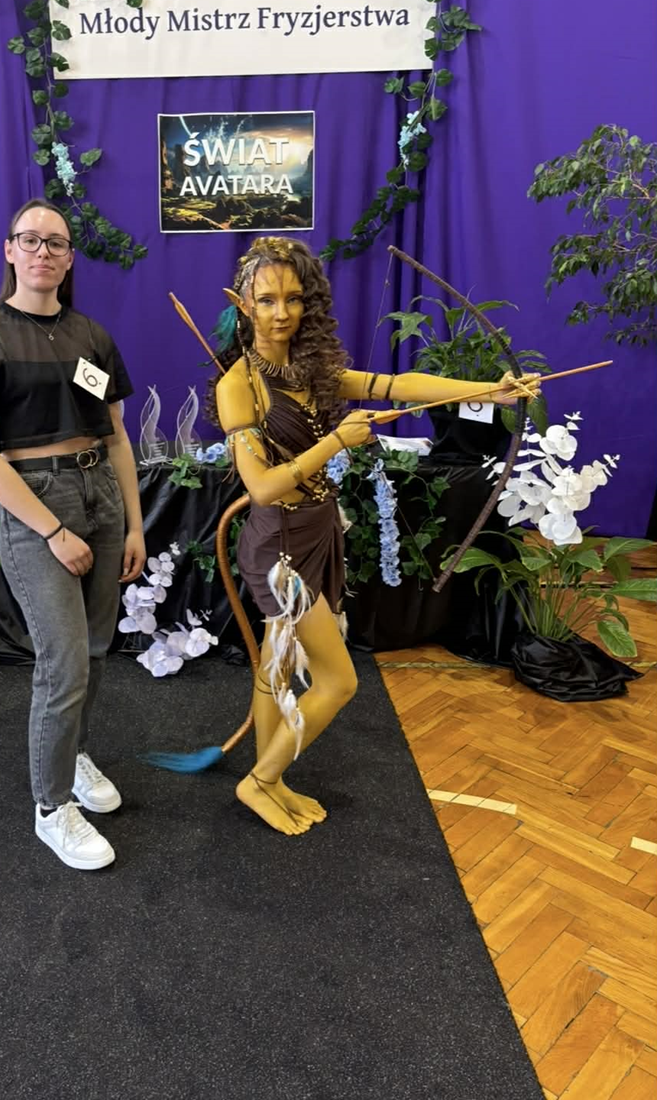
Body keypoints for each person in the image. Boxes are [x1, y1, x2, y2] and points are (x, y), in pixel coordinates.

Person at [207, 236, 538, 836]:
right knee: (338, 681)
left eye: (293, 299)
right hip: (279, 551)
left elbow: (398, 383)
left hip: (314, 533)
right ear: (243, 303)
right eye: (267, 300)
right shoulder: (239, 386)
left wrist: (486, 392)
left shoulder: (310, 370)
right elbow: (261, 488)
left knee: (276, 667)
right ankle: (259, 781)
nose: (281, 313)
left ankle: (269, 778)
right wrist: (336, 442)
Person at [0, 199, 146, 870]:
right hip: (38, 505)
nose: (43, 252)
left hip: (100, 493)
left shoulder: (91, 336)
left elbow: (118, 438)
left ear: (70, 257)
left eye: (56, 242)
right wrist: (53, 529)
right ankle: (52, 807)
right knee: (63, 662)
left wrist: (134, 522)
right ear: (9, 250)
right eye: (30, 240)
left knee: (98, 650)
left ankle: (74, 755)